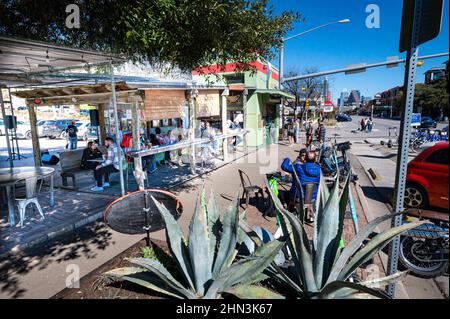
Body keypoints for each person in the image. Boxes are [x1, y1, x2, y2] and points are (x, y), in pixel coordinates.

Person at [281, 151, 321, 222]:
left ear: (305, 158)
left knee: (285, 194)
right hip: (312, 199)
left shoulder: (298, 167)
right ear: (315, 160)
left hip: (297, 198)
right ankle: (310, 215)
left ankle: (293, 212)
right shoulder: (319, 169)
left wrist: (287, 159)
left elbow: (284, 166)